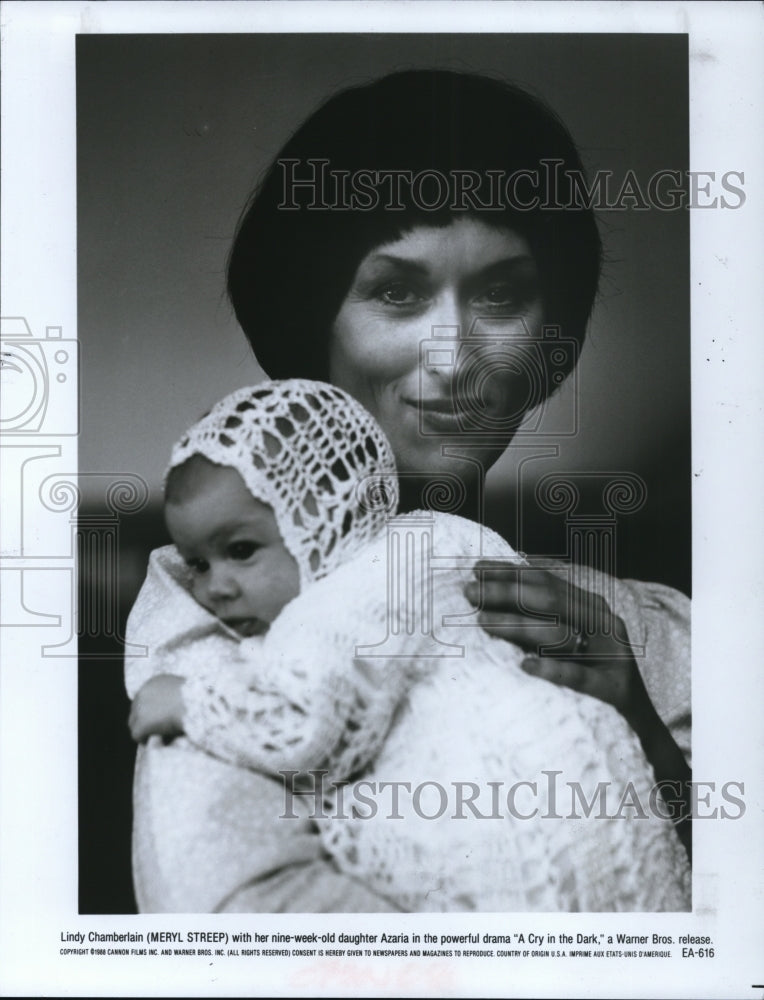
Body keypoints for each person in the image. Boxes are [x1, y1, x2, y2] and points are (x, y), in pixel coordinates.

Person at [225, 67, 693, 896]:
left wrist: (648, 741)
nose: (453, 357)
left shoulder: (661, 635)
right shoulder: (217, 623)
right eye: (397, 292)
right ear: (312, 317)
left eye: (502, 295)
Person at [126, 379, 689, 913]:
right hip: (627, 851)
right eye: (197, 564)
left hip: (519, 864)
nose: (214, 588)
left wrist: (192, 702)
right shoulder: (440, 533)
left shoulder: (328, 610)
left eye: (242, 550)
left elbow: (308, 730)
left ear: (323, 519)